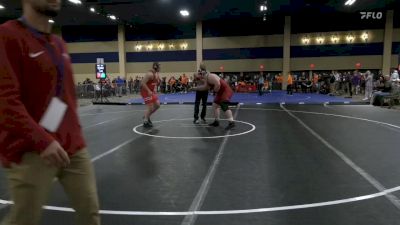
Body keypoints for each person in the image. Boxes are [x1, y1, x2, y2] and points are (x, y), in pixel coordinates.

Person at [0, 1, 100, 225]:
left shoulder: (58, 43)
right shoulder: (7, 36)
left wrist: (76, 137)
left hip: (72, 148)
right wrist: (42, 141)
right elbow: (5, 100)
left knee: (90, 213)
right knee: (24, 219)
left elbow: (66, 98)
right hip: (30, 150)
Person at [191, 63, 235, 130]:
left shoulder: (210, 76)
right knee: (215, 105)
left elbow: (218, 83)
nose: (200, 77)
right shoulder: (206, 79)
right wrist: (195, 88)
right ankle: (216, 121)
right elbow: (204, 87)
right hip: (220, 92)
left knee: (224, 105)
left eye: (201, 75)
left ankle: (231, 123)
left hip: (225, 91)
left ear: (204, 73)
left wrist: (215, 91)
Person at [141, 62, 161, 128]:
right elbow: (143, 83)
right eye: (159, 67)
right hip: (145, 91)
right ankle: (145, 121)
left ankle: (146, 116)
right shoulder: (150, 74)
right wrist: (149, 91)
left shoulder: (156, 74)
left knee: (157, 105)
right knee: (150, 107)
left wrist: (154, 90)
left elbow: (154, 83)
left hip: (151, 91)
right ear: (156, 67)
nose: (160, 68)